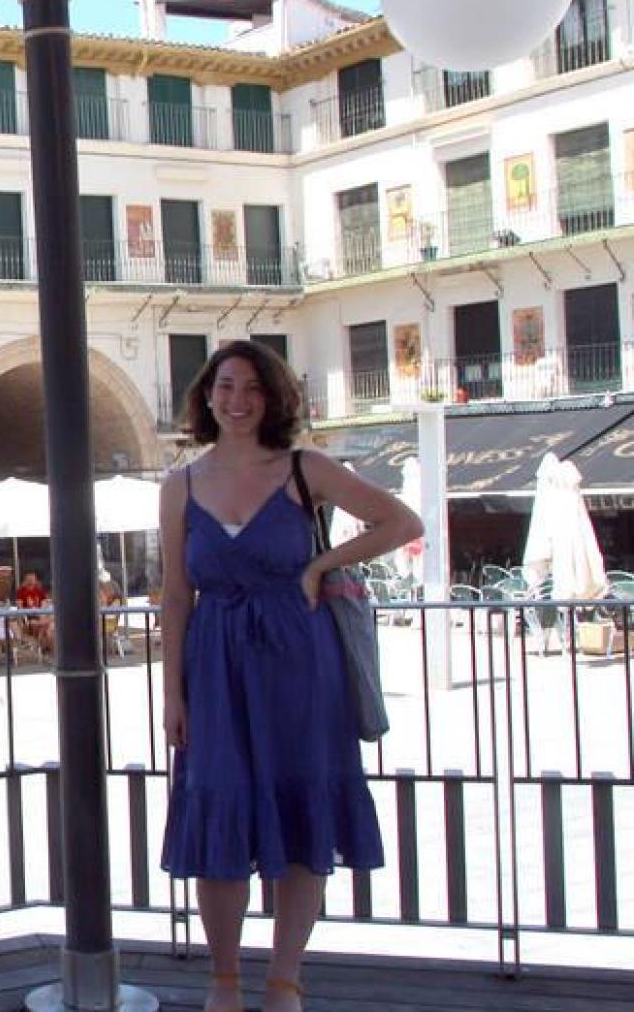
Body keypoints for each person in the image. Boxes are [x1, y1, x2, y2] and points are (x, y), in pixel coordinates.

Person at [160, 340, 419, 1012]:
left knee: (302, 812)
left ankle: (284, 980)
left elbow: (401, 521)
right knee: (217, 810)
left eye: (252, 389)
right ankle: (224, 981)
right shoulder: (179, 484)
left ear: (272, 398)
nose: (238, 402)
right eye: (225, 388)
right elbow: (173, 595)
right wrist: (172, 692)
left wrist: (317, 565)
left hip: (300, 664)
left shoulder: (306, 468)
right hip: (215, 667)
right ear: (206, 396)